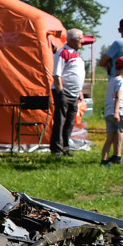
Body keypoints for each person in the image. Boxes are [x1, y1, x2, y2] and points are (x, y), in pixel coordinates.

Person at [50, 28, 85, 156]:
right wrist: (60, 94)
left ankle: (66, 146)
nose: (82, 41)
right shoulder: (63, 53)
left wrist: (80, 92)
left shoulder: (77, 54)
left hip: (75, 94)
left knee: (70, 121)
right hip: (64, 92)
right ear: (72, 40)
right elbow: (57, 75)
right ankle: (56, 149)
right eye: (80, 39)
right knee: (60, 121)